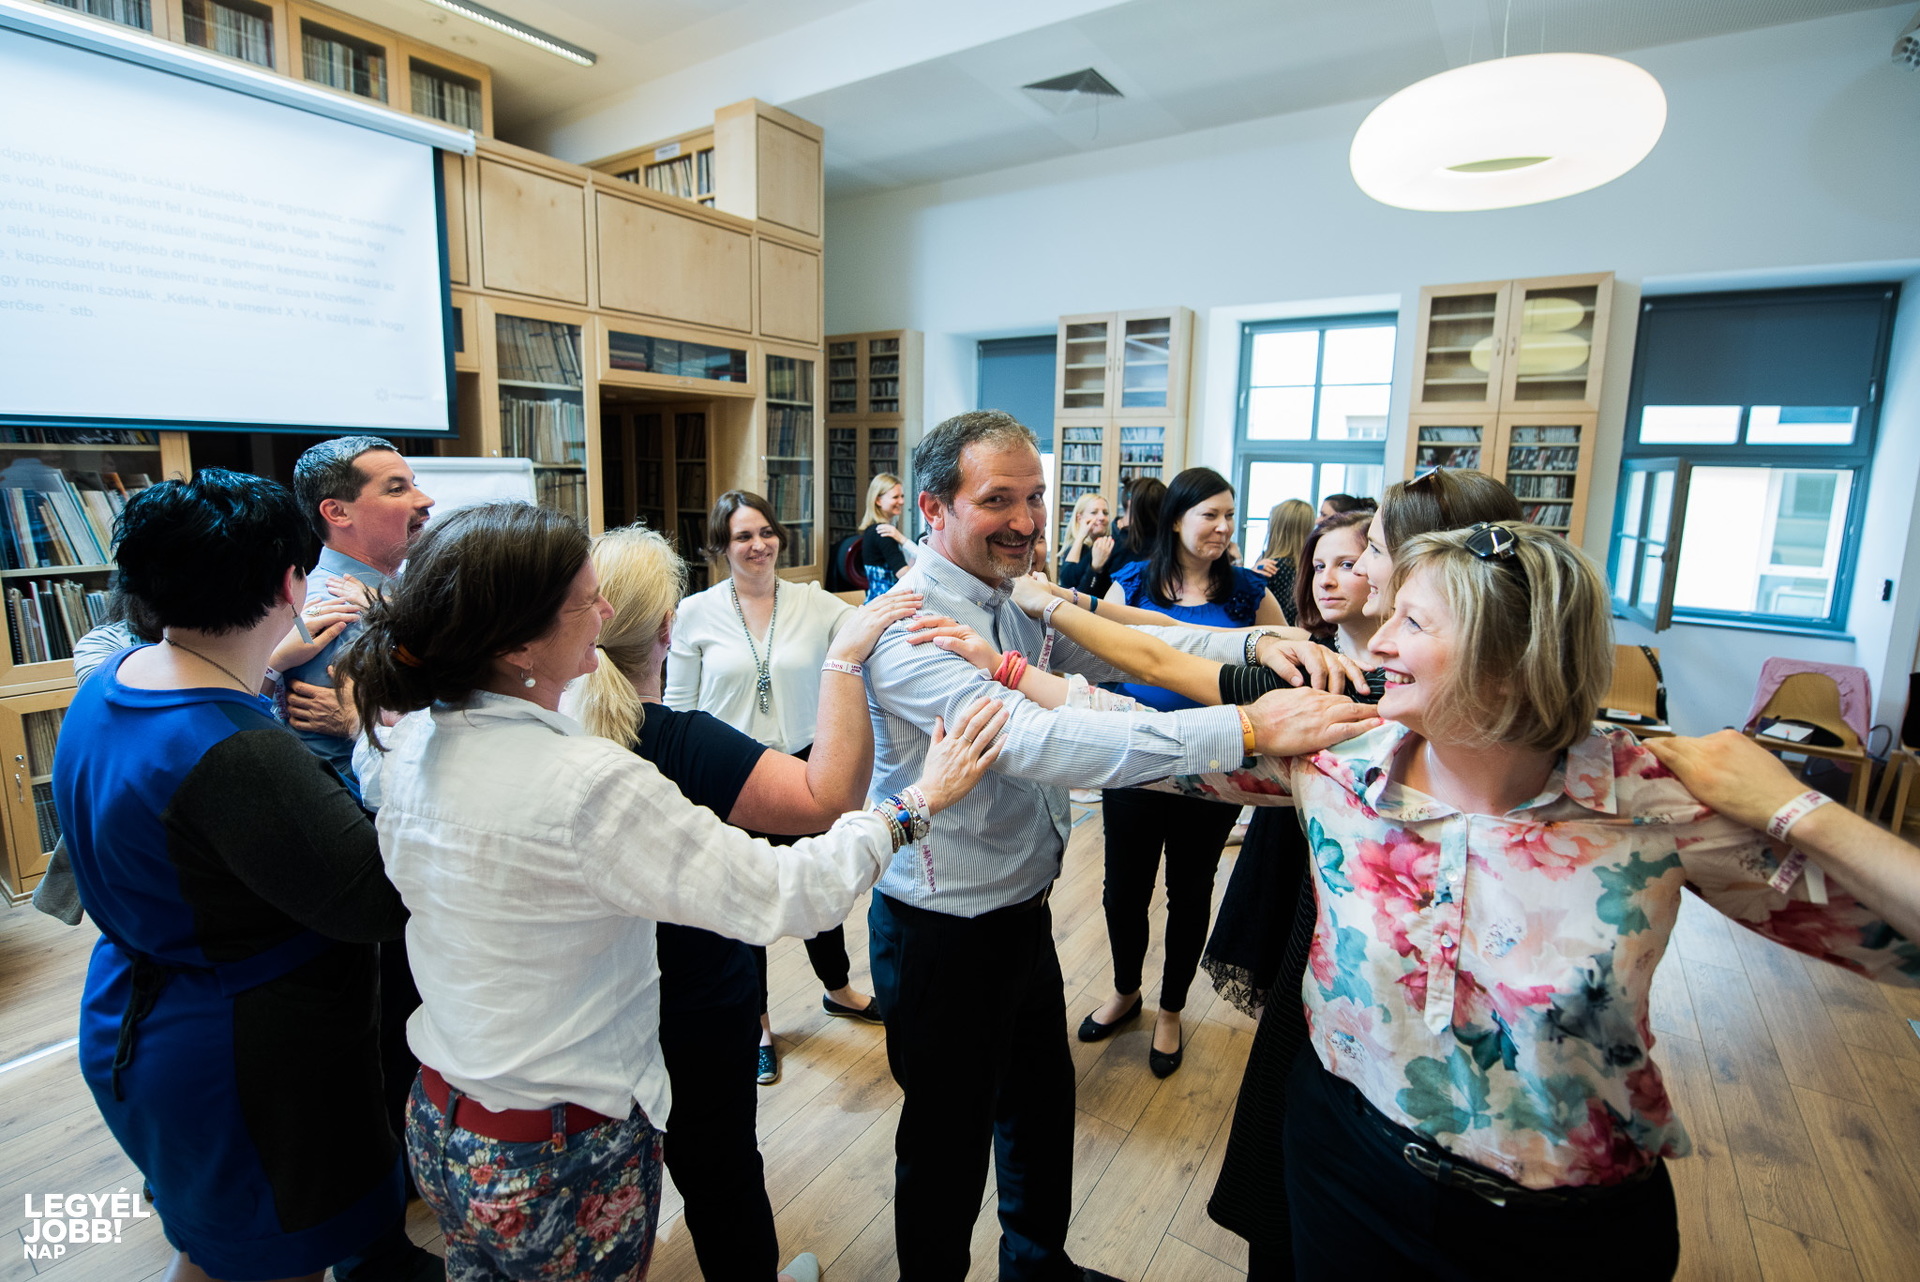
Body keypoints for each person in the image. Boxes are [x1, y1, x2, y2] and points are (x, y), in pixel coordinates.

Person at [1149, 522, 1919, 1280]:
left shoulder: (1649, 803)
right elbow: (1131, 746)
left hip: (1563, 1233)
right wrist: (1067, 638)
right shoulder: (1339, 761)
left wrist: (1798, 810)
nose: (1377, 644)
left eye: (1412, 623)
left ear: (1509, 661)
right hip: (1345, 1167)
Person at [337, 501, 1008, 1282]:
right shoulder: (586, 784)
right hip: (556, 1148)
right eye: (586, 601)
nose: (604, 615)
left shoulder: (407, 740)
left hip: (443, 1119)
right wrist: (917, 802)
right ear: (518, 644)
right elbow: (787, 893)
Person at [860, 410, 1379, 1282]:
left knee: (1039, 1111)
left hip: (1020, 911)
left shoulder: (1013, 594)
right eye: (999, 500)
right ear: (933, 507)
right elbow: (1044, 741)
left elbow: (1139, 642)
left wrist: (1255, 640)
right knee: (946, 1148)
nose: (1026, 520)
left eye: (1035, 497)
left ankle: (1038, 1270)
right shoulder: (909, 626)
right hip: (941, 932)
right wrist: (1248, 727)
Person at [51, 469, 437, 1282]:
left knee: (215, 1253)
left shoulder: (111, 685)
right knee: (267, 1263)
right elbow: (375, 898)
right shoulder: (237, 749)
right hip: (243, 1059)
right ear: (292, 585)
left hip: (139, 1016)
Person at [569, 524, 922, 1282]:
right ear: (668, 629)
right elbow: (829, 800)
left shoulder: (555, 729)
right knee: (721, 1171)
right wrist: (845, 661)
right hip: (695, 1005)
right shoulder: (681, 742)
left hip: (590, 1007)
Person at [668, 489, 883, 1086]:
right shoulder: (694, 613)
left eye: (765, 532)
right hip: (728, 774)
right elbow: (678, 708)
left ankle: (838, 989)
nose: (758, 545)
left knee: (819, 883)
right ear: (721, 546)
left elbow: (871, 625)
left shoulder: (813, 602)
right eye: (743, 536)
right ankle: (759, 1023)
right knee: (747, 901)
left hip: (805, 768)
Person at [1091, 467, 1286, 1075]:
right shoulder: (1130, 585)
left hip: (1215, 767)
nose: (1224, 527)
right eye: (1210, 515)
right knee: (1124, 889)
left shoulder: (1250, 593)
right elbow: (1097, 661)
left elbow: (1283, 665)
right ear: (1177, 520)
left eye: (1230, 515)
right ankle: (1126, 990)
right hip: (1135, 760)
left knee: (1191, 889)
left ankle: (1172, 1009)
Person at [282, 436, 434, 796]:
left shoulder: (398, 590)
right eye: (397, 489)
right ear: (337, 513)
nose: (425, 500)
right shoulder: (335, 611)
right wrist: (363, 722)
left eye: (414, 484)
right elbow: (337, 769)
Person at [1252, 499, 1314, 625]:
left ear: (1276, 527)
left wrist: (1251, 576)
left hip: (1272, 632)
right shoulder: (1315, 565)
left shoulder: (1269, 567)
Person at [859, 471, 917, 600]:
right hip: (887, 604)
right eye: (895, 497)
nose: (901, 501)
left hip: (876, 601)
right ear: (878, 500)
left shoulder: (873, 530)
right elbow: (904, 575)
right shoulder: (883, 533)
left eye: (902, 496)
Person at [1056, 491, 1115, 599]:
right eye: (1094, 512)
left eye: (1105, 513)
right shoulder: (1076, 549)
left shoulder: (1111, 546)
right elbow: (1067, 584)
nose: (1102, 517)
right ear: (1079, 519)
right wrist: (1080, 536)